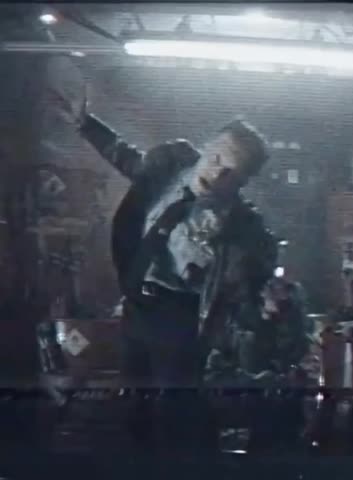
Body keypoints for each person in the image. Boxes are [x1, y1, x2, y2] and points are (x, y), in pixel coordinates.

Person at [50, 86, 283, 452]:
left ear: (242, 183)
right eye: (216, 158)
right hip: (136, 304)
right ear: (207, 145)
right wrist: (85, 124)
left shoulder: (240, 226)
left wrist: (250, 283)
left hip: (180, 317)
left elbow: (255, 277)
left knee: (177, 412)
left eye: (230, 173)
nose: (216, 174)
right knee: (135, 403)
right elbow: (126, 158)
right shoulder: (168, 168)